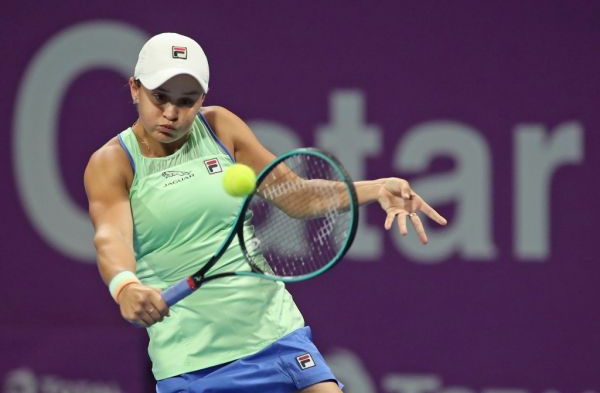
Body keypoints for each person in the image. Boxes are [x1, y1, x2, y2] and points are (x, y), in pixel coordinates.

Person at [83, 32, 447, 393]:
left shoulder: (221, 127)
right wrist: (125, 285)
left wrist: (376, 188)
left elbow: (298, 197)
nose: (172, 113)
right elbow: (111, 236)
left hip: (276, 336)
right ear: (134, 88)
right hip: (191, 363)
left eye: (187, 101)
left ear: (202, 100)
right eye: (159, 97)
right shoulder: (112, 163)